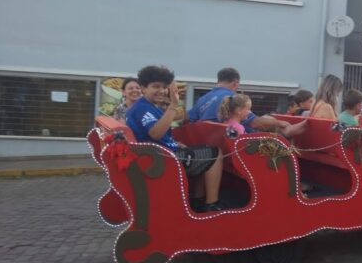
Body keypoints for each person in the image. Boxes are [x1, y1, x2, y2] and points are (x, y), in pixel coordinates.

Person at [126, 66, 225, 212]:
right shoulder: (142, 108)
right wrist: (173, 106)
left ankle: (197, 199)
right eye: (155, 86)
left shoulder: (147, 106)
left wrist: (174, 142)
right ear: (143, 88)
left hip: (159, 154)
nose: (161, 90)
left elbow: (157, 134)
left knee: (202, 152)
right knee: (216, 153)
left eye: (164, 87)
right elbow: (156, 134)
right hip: (160, 159)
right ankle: (211, 204)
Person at [188, 67, 305, 136]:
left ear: (218, 81)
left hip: (213, 140)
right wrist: (279, 123)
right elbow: (255, 122)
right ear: (235, 83)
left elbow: (188, 119)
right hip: (238, 145)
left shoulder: (202, 99)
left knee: (267, 119)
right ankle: (289, 129)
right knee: (270, 121)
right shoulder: (233, 98)